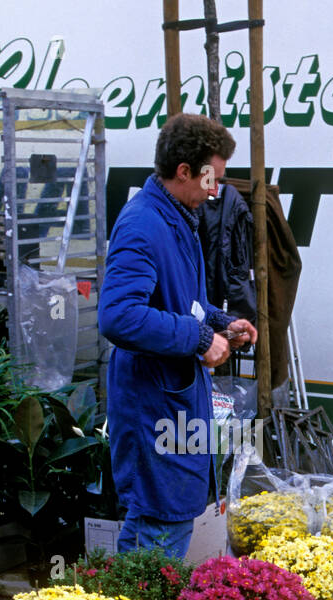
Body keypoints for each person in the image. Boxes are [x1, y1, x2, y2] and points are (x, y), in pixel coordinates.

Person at [99, 112, 257, 558]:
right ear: (184, 171)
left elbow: (182, 301)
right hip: (153, 404)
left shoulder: (175, 216)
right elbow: (119, 317)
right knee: (162, 524)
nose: (215, 191)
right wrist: (200, 338)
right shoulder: (143, 225)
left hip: (173, 399)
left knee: (156, 519)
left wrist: (220, 322)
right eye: (211, 178)